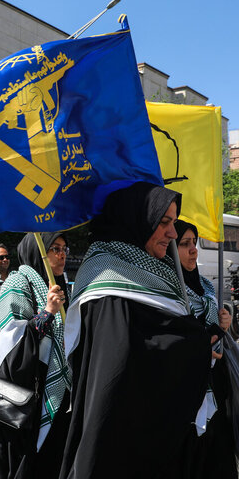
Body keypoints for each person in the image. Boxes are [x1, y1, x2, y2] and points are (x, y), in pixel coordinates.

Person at [59, 183, 212, 478]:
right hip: (119, 435)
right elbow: (123, 360)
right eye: (164, 222)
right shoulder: (109, 276)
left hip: (150, 434)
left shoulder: (152, 272)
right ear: (136, 221)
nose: (172, 233)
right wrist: (197, 342)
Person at [0, 232, 71, 479]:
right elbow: (7, 342)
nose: (62, 255)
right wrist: (48, 312)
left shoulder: (60, 287)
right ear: (38, 252)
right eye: (55, 249)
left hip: (49, 389)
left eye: (64, 249)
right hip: (16, 394)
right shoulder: (18, 282)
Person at [175, 219, 236, 478]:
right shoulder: (168, 290)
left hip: (216, 382)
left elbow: (212, 328)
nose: (193, 250)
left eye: (195, 243)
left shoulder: (206, 286)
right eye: (184, 244)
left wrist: (224, 325)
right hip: (187, 389)